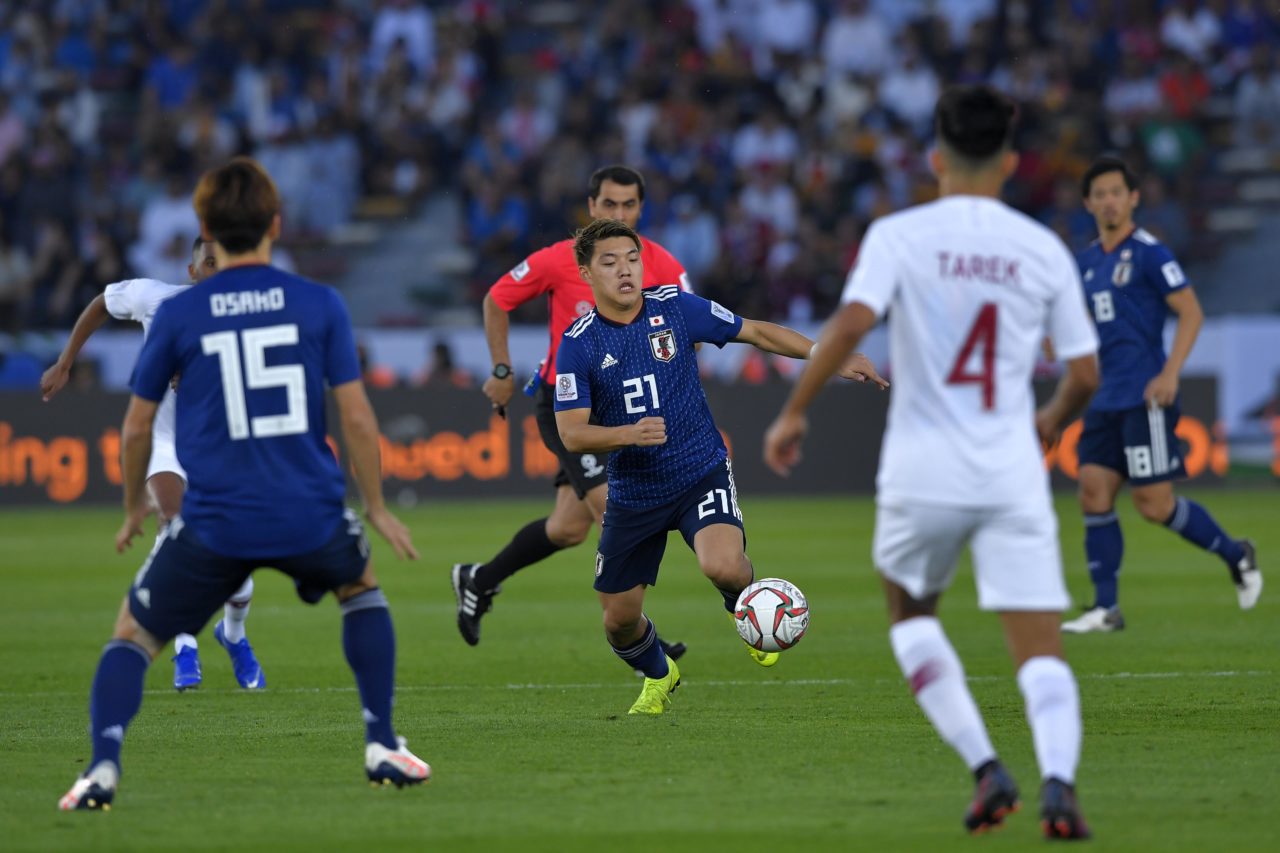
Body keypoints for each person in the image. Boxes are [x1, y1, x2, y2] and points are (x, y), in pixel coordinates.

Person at [764, 85, 1100, 839]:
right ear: (1011, 162)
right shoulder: (1040, 248)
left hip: (922, 469)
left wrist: (794, 410)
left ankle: (987, 768)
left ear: (934, 157)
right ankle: (1060, 785)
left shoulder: (899, 235)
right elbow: (1084, 375)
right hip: (1008, 466)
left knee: (912, 614)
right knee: (1039, 646)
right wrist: (1047, 422)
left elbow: (852, 323)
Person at [59, 157, 428, 811]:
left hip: (216, 515)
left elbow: (137, 425)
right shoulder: (320, 302)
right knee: (361, 588)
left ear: (204, 228)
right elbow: (359, 416)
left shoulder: (177, 311)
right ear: (276, 226)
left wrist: (130, 509)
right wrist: (374, 505)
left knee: (131, 635)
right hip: (307, 507)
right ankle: (379, 739)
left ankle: (102, 766)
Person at [554, 217, 886, 716]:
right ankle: (661, 673)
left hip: (698, 469)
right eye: (609, 262)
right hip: (633, 491)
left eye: (631, 258)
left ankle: (746, 609)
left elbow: (754, 331)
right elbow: (571, 431)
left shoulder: (674, 308)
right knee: (619, 621)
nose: (625, 271)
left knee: (724, 566)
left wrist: (827, 356)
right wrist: (627, 434)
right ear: (586, 273)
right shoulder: (578, 343)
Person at [455, 165, 690, 659]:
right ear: (591, 207)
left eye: (628, 206)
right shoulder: (561, 260)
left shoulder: (661, 265)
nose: (619, 214)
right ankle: (640, 639)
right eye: (609, 205)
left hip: (621, 410)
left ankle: (480, 579)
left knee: (567, 527)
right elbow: (497, 299)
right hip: (568, 408)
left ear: (640, 210)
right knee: (615, 510)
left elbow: (688, 332)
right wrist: (501, 370)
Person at [41, 237, 266, 691]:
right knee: (176, 525)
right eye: (208, 262)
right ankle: (185, 647)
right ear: (192, 271)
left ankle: (233, 635)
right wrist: (66, 362)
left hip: (217, 450)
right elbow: (102, 301)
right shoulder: (156, 300)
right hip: (165, 444)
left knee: (238, 565)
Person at [1062, 157, 1261, 633]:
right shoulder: (1086, 262)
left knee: (1153, 505)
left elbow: (1191, 312)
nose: (1109, 200)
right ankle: (1105, 608)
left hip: (1146, 394)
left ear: (1133, 198)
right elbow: (1082, 326)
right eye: (1100, 193)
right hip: (1105, 395)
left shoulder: (1152, 253)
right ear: (1088, 203)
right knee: (1093, 492)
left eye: (1117, 192)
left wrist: (1171, 372)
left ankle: (1236, 554)